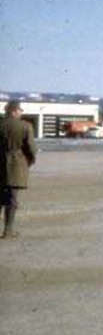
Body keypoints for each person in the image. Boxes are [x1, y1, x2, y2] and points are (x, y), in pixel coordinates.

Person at [1, 100, 37, 240]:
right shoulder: (25, 126)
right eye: (20, 110)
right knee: (12, 199)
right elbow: (31, 148)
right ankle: (8, 231)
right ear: (14, 110)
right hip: (16, 164)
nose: (21, 112)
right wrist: (30, 161)